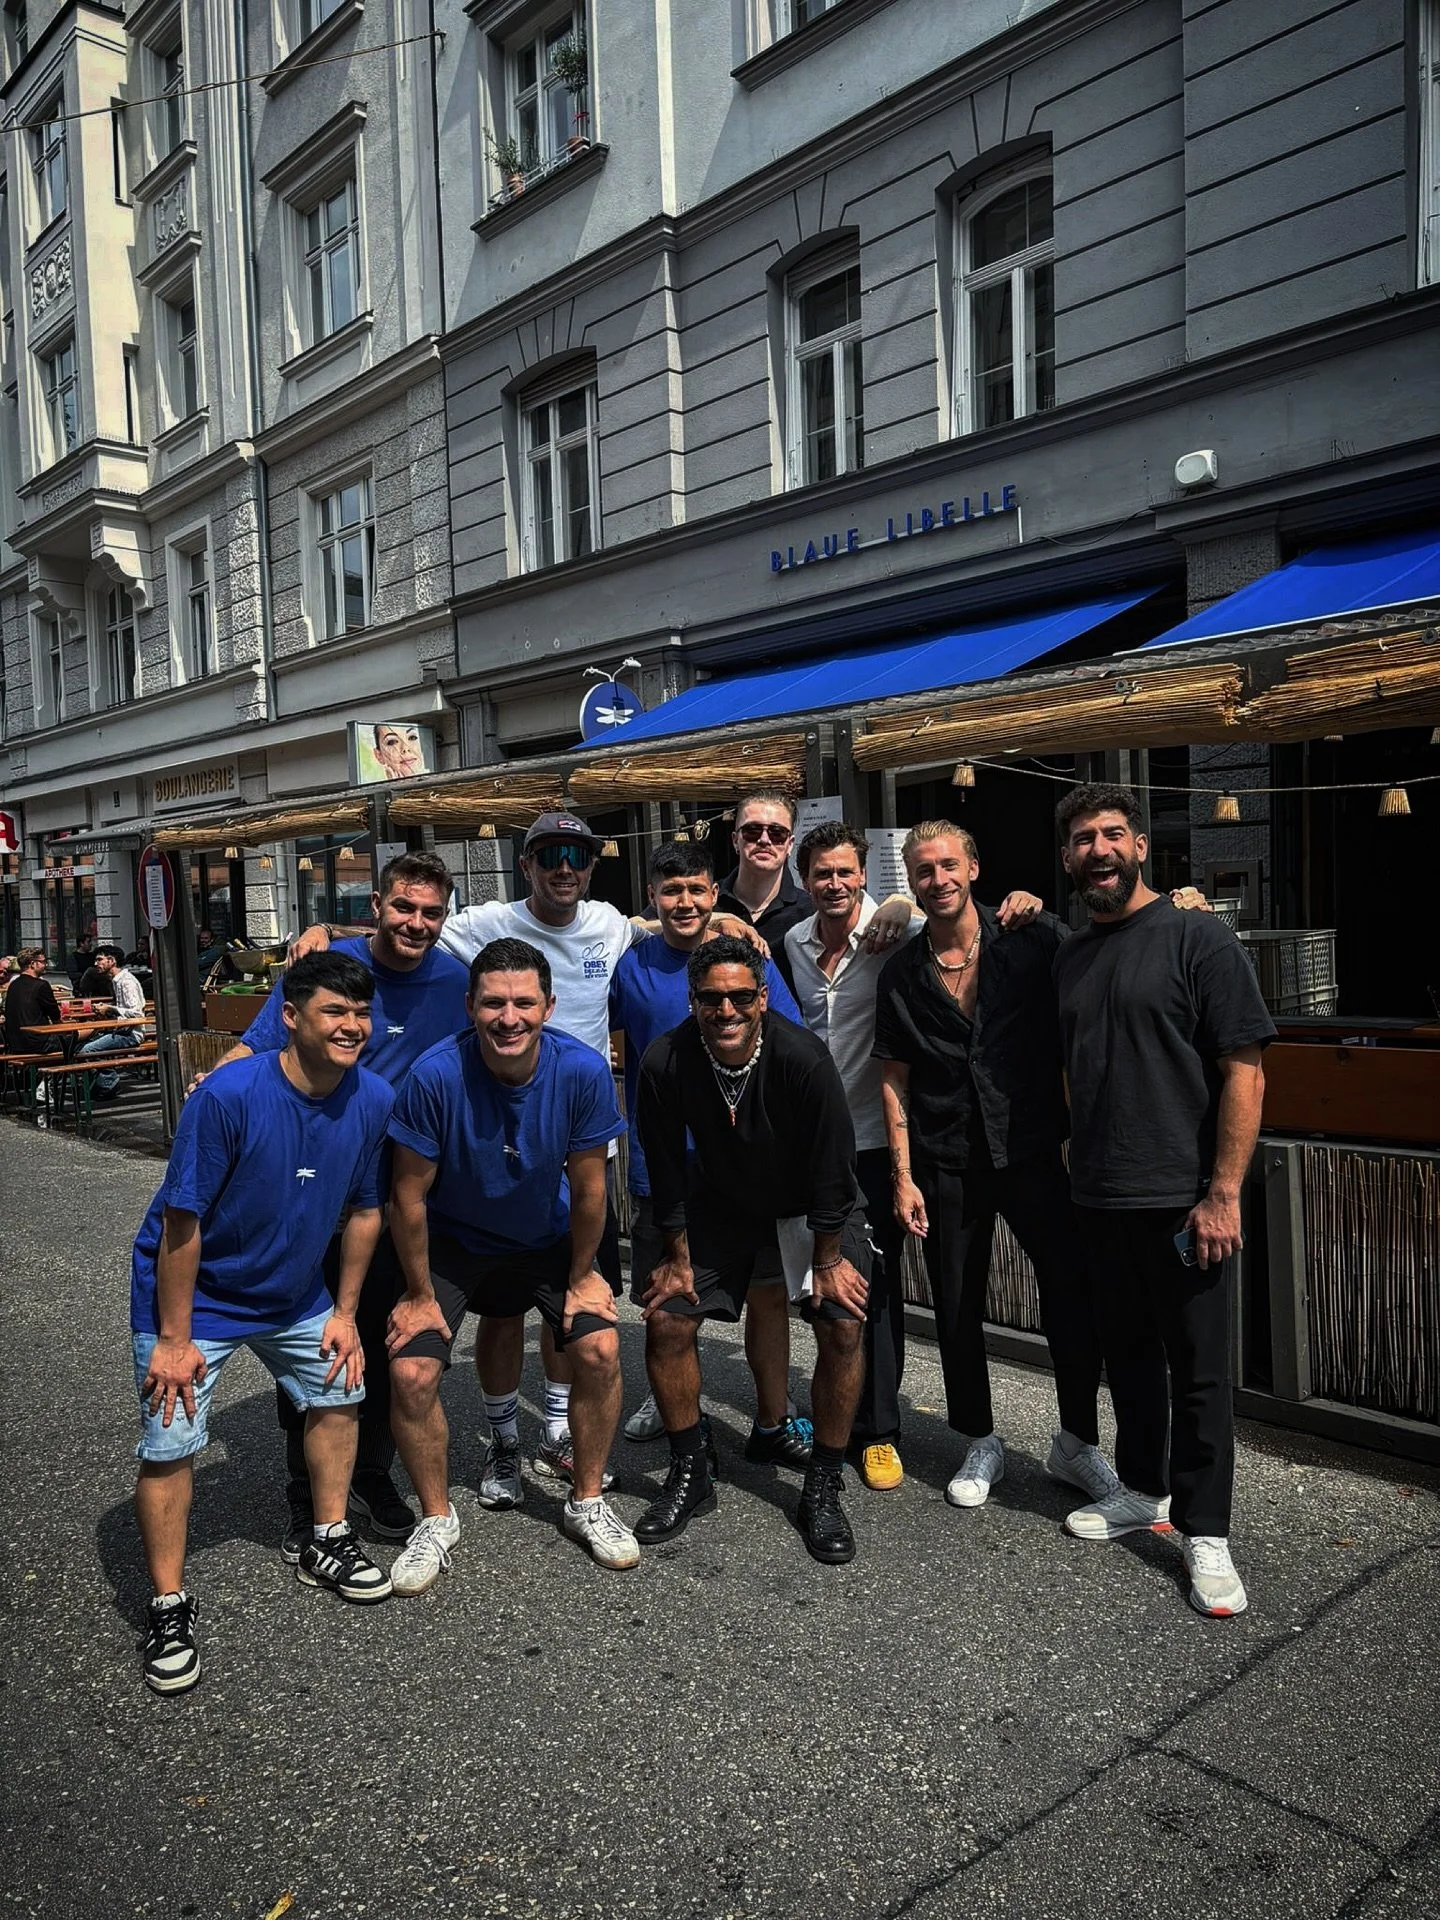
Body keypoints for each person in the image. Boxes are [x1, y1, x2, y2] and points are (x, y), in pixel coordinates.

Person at [128, 952, 396, 1696]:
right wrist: (176, 1341)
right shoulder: (230, 1094)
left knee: (341, 1389)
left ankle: (328, 1537)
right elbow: (184, 1221)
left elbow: (368, 1210)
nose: (350, 1027)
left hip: (293, 1294)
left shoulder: (372, 1097)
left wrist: (344, 1313)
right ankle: (168, 1603)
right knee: (171, 1438)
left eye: (359, 1014)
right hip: (196, 1295)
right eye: (333, 1013)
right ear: (290, 1018)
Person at [1052, 783, 1274, 1618]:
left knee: (1200, 1371)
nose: (1098, 849)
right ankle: (1141, 1489)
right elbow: (1074, 1067)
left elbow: (1244, 1070)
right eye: (1082, 839)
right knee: (1131, 1356)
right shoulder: (1071, 953)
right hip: (1101, 1195)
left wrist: (1224, 1192)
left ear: (1141, 845)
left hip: (1186, 1197)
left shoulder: (1198, 939)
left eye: (1112, 834)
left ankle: (1205, 1526)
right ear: (1068, 857)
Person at [209, 853, 470, 1556]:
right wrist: (210, 1103)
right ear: (376, 904)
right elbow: (258, 1046)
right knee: (314, 1344)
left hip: (404, 1196)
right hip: (317, 1186)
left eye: (430, 912)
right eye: (403, 907)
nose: (416, 922)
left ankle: (371, 1472)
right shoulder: (329, 966)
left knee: (383, 1346)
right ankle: (309, 1493)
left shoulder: (456, 979)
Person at [786, 820, 1046, 1493]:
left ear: (867, 877)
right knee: (846, 1293)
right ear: (804, 880)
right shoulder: (792, 941)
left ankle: (880, 1432)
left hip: (896, 1140)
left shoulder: (896, 927)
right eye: (821, 874)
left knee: (882, 1292)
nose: (834, 884)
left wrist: (907, 901)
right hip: (826, 1143)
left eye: (847, 872)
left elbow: (943, 906)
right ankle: (857, 1420)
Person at [874, 821, 1119, 1515]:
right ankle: (979, 1437)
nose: (938, 880)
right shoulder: (901, 972)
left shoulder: (1031, 938)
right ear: (911, 883)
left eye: (949, 865)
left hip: (1034, 1148)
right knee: (955, 1303)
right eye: (923, 871)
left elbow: (1105, 957)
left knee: (1071, 1292)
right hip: (946, 1156)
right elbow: (893, 1078)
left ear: (973, 868)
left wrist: (1180, 905)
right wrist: (902, 1174)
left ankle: (1076, 1439)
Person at [383, 937, 638, 1588]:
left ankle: (585, 1501)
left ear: (549, 1006)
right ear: (470, 1006)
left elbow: (589, 1190)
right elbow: (406, 1196)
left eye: (524, 1002)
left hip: (547, 1237)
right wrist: (416, 1292)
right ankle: (437, 1518)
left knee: (601, 1349)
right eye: (493, 1003)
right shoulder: (435, 1075)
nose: (509, 1017)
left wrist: (584, 1277)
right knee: (411, 1371)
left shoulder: (580, 1071)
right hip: (457, 1238)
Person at [635, 936, 871, 1563]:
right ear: (693, 1002)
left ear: (763, 998)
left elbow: (833, 1169)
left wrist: (827, 1259)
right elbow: (664, 1170)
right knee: (666, 1318)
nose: (727, 1010)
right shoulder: (666, 1059)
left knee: (843, 1325)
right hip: (723, 1203)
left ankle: (822, 1484)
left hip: (812, 1206)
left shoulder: (803, 1059)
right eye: (712, 999)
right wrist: (677, 1253)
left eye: (741, 996)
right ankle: (691, 1468)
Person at [609, 839, 809, 1466]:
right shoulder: (634, 965)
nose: (686, 902)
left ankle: (773, 1417)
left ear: (714, 893)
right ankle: (676, 1412)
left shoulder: (750, 959)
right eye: (672, 891)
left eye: (697, 889)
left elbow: (791, 1043)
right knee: (668, 1300)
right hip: (664, 1162)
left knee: (769, 1295)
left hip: (750, 1164)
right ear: (652, 897)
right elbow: (620, 1045)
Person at [77, 945, 152, 1099]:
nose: (96, 964)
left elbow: (137, 1013)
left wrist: (110, 1009)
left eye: (99, 959)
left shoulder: (127, 982)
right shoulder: (116, 981)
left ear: (111, 961)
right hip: (119, 1030)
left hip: (130, 1033)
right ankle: (97, 1085)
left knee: (87, 1050)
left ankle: (109, 1082)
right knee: (79, 1046)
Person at [5, 949, 62, 1053]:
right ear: (32, 964)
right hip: (39, 1044)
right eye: (43, 962)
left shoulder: (13, 985)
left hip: (15, 1045)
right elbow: (55, 1017)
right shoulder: (41, 985)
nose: (46, 965)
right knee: (82, 1035)